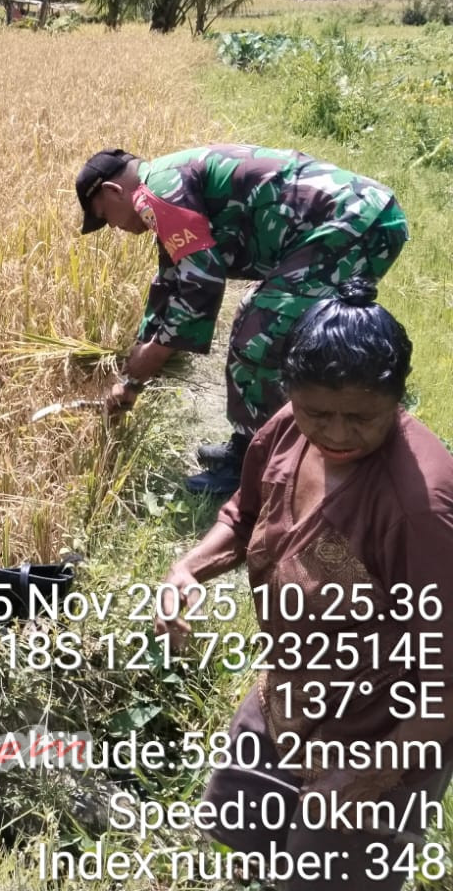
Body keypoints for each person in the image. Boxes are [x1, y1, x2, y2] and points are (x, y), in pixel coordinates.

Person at [155, 281, 453, 890]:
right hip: (286, 698)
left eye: (361, 417)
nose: (337, 433)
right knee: (243, 844)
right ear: (291, 392)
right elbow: (245, 515)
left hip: (381, 730)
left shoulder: (420, 507)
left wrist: (373, 774)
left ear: (397, 399)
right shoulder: (289, 429)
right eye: (319, 412)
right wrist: (187, 569)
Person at [75, 144, 408, 494]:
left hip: (354, 222)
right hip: (357, 219)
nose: (114, 227)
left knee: (259, 340)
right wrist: (133, 378)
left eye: (105, 216)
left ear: (114, 190)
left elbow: (201, 281)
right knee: (257, 317)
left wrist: (154, 354)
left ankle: (258, 464)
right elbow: (171, 281)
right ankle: (254, 443)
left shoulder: (157, 192)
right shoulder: (164, 186)